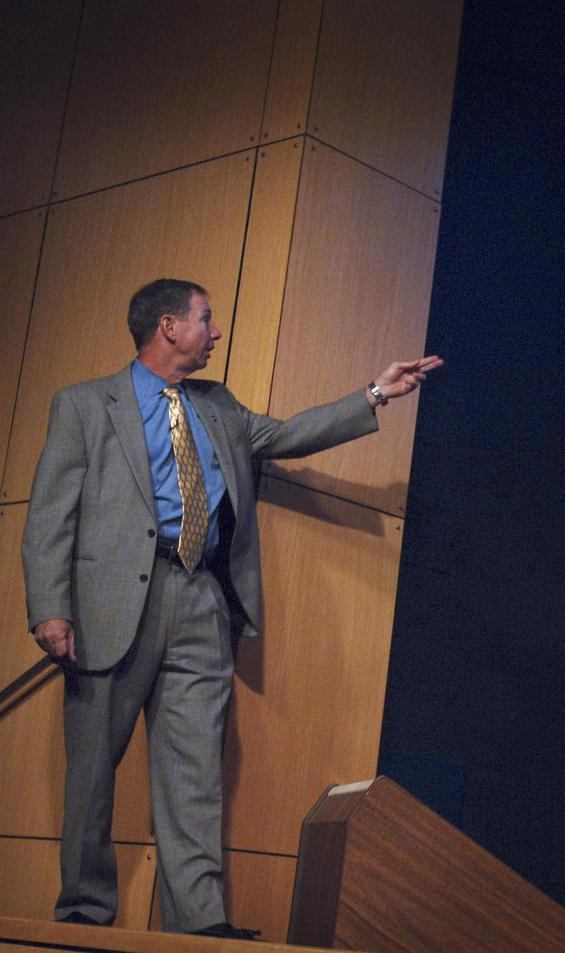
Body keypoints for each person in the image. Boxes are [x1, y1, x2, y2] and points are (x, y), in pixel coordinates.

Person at [21, 278, 442, 937]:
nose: (215, 332)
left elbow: (290, 433)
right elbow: (49, 514)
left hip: (201, 600)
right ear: (167, 327)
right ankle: (84, 912)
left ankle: (199, 922)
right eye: (205, 320)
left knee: (194, 773)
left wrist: (376, 392)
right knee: (92, 772)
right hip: (110, 607)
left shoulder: (218, 406)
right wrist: (50, 608)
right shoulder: (83, 405)